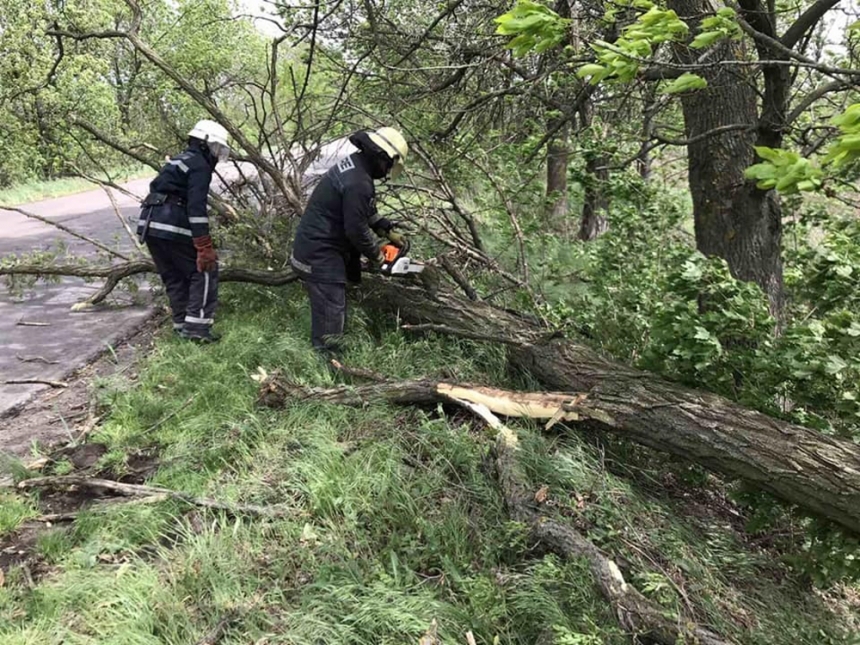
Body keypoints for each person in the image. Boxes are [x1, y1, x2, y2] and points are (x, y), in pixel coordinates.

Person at [290, 127, 409, 357]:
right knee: (331, 314)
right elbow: (355, 229)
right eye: (387, 167)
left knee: (334, 306)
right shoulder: (359, 182)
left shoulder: (356, 165)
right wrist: (377, 255)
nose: (386, 173)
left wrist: (386, 230)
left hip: (316, 246)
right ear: (382, 157)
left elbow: (364, 210)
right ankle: (327, 368)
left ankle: (329, 358)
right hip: (319, 253)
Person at [137, 120, 230, 343]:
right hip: (172, 223)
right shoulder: (199, 164)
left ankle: (181, 327)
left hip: (150, 225)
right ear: (206, 143)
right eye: (217, 149)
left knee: (174, 276)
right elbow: (196, 207)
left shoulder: (179, 159)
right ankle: (197, 331)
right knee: (205, 271)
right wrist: (204, 246)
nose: (217, 156)